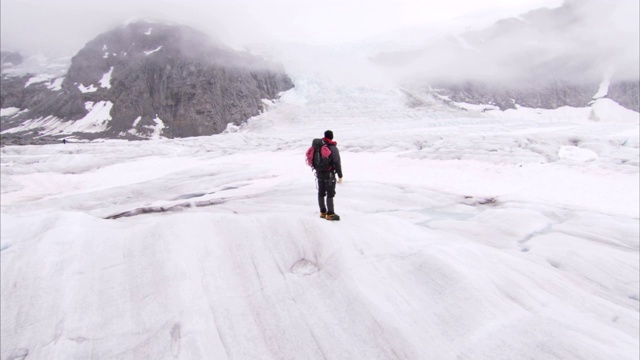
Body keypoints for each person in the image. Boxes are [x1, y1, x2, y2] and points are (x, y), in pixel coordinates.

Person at [316, 130, 343, 221]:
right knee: (330, 193)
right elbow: (336, 162)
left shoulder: (318, 146)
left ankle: (322, 212)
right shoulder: (332, 148)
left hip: (319, 173)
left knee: (321, 192)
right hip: (329, 174)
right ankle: (330, 213)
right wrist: (340, 175)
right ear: (332, 137)